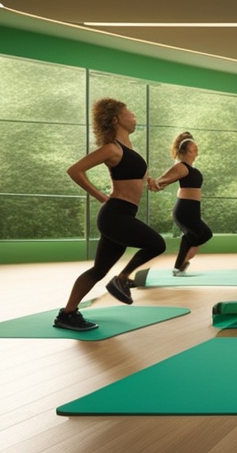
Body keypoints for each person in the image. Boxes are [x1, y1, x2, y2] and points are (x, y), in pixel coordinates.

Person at [55, 98, 166, 331]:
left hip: (123, 215)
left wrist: (151, 182)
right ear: (116, 119)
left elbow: (137, 179)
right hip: (115, 215)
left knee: (98, 270)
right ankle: (123, 278)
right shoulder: (112, 148)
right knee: (157, 244)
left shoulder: (129, 149)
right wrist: (98, 196)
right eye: (130, 113)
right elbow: (75, 170)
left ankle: (67, 314)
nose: (134, 116)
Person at [154, 132, 213, 276]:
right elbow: (162, 180)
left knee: (192, 237)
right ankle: (182, 264)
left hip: (191, 209)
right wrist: (155, 184)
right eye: (194, 148)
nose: (197, 150)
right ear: (187, 151)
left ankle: (179, 266)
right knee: (205, 234)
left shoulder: (189, 168)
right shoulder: (181, 167)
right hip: (184, 209)